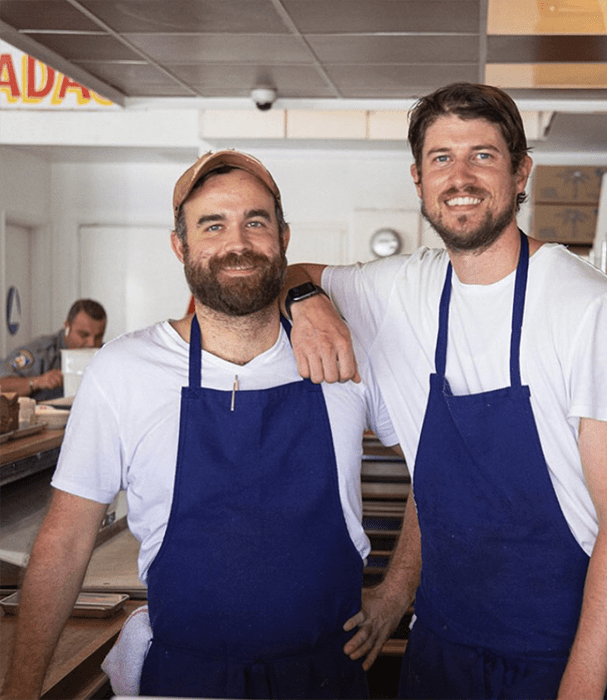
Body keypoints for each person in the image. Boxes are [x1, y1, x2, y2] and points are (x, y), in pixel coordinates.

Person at [281, 83, 607, 700]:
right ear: (418, 178)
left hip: (560, 659)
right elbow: (283, 271)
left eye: (483, 155)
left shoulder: (588, 306)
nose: (460, 176)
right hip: (440, 657)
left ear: (520, 174)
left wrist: (583, 686)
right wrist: (307, 300)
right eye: (441, 158)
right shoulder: (400, 290)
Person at [1, 150, 400, 700]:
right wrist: (21, 690)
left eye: (254, 222)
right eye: (212, 225)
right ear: (180, 246)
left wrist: (396, 594)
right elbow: (65, 541)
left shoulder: (343, 352)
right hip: (184, 679)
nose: (236, 243)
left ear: (283, 237)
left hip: (324, 675)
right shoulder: (125, 368)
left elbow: (441, 473)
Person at [0, 299, 106, 401]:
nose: (92, 343)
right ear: (67, 327)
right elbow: (2, 385)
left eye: (98, 336)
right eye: (84, 335)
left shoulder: (107, 355)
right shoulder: (41, 352)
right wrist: (36, 382)